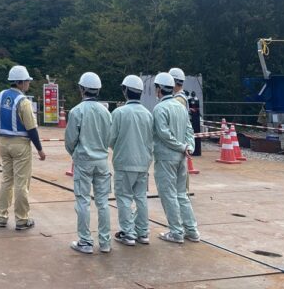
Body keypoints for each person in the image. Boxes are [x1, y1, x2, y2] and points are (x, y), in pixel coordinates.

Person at [65, 72, 112, 254]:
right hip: (102, 161)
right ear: (98, 90)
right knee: (103, 202)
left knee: (83, 201)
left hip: (84, 160)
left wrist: (75, 154)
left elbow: (70, 140)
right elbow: (109, 137)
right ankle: (105, 242)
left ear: (82, 89)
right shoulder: (106, 112)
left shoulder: (77, 111)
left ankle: (85, 241)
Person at [0, 65, 46, 231]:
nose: (28, 84)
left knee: (6, 180)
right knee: (21, 183)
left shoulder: (0, 96)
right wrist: (39, 149)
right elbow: (31, 128)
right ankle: (22, 219)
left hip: (3, 142)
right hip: (20, 145)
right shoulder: (23, 102)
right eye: (27, 81)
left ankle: (2, 216)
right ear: (20, 82)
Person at [152, 72, 200, 243]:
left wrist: (181, 146)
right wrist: (189, 147)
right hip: (182, 157)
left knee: (168, 195)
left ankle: (176, 232)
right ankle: (192, 230)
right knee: (181, 195)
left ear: (158, 89)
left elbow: (164, 134)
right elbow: (189, 130)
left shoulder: (159, 109)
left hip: (166, 157)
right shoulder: (181, 106)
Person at [109, 75, 153, 246]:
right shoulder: (148, 114)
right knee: (141, 197)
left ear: (125, 90)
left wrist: (120, 149)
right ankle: (142, 232)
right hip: (143, 162)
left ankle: (128, 233)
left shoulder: (119, 113)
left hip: (124, 162)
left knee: (124, 198)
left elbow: (110, 138)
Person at [187, 91, 202, 156]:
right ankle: (193, 150)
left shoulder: (193, 100)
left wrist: (193, 110)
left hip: (194, 119)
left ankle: (195, 151)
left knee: (195, 134)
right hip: (193, 118)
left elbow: (197, 108)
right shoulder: (190, 99)